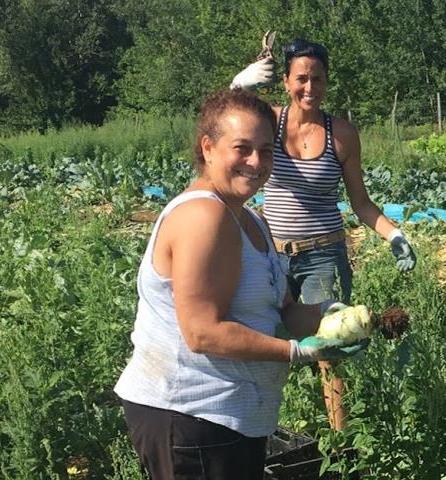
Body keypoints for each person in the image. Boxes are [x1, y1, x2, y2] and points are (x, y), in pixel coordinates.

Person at [113, 89, 367, 479]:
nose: (255, 162)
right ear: (208, 148)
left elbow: (282, 310)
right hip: (191, 414)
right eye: (242, 148)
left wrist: (327, 314)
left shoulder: (253, 220)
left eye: (266, 151)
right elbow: (202, 333)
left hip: (231, 418)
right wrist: (296, 352)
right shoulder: (203, 217)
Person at [231, 38, 416, 429]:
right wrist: (240, 86)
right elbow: (228, 118)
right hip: (271, 256)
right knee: (259, 339)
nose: (309, 88)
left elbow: (361, 204)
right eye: (301, 78)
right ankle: (260, 427)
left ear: (328, 82)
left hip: (322, 258)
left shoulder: (342, 134)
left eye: (318, 79)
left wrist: (394, 235)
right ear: (285, 81)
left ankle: (341, 440)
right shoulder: (269, 123)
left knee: (330, 350)